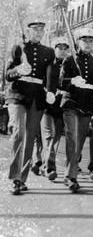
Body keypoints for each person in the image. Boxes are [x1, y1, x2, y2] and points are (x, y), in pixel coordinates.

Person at [5, 18, 55, 195]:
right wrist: (18, 70)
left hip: (37, 98)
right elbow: (7, 75)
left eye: (42, 29)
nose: (39, 32)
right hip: (17, 95)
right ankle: (14, 177)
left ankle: (21, 179)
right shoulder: (18, 48)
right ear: (27, 31)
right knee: (18, 133)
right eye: (35, 29)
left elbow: (50, 75)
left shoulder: (49, 51)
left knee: (29, 138)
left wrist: (50, 91)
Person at [60, 28, 93, 192]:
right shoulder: (70, 60)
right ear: (78, 42)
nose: (87, 44)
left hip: (87, 105)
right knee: (72, 139)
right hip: (71, 103)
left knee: (79, 141)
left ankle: (69, 174)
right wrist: (72, 80)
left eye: (90, 41)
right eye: (84, 41)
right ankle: (71, 177)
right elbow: (60, 82)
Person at [41, 36, 70, 181]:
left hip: (61, 106)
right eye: (60, 48)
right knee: (49, 135)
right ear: (54, 49)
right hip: (47, 105)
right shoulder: (48, 64)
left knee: (56, 137)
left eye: (66, 49)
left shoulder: (70, 66)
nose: (63, 51)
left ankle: (45, 164)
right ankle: (50, 167)